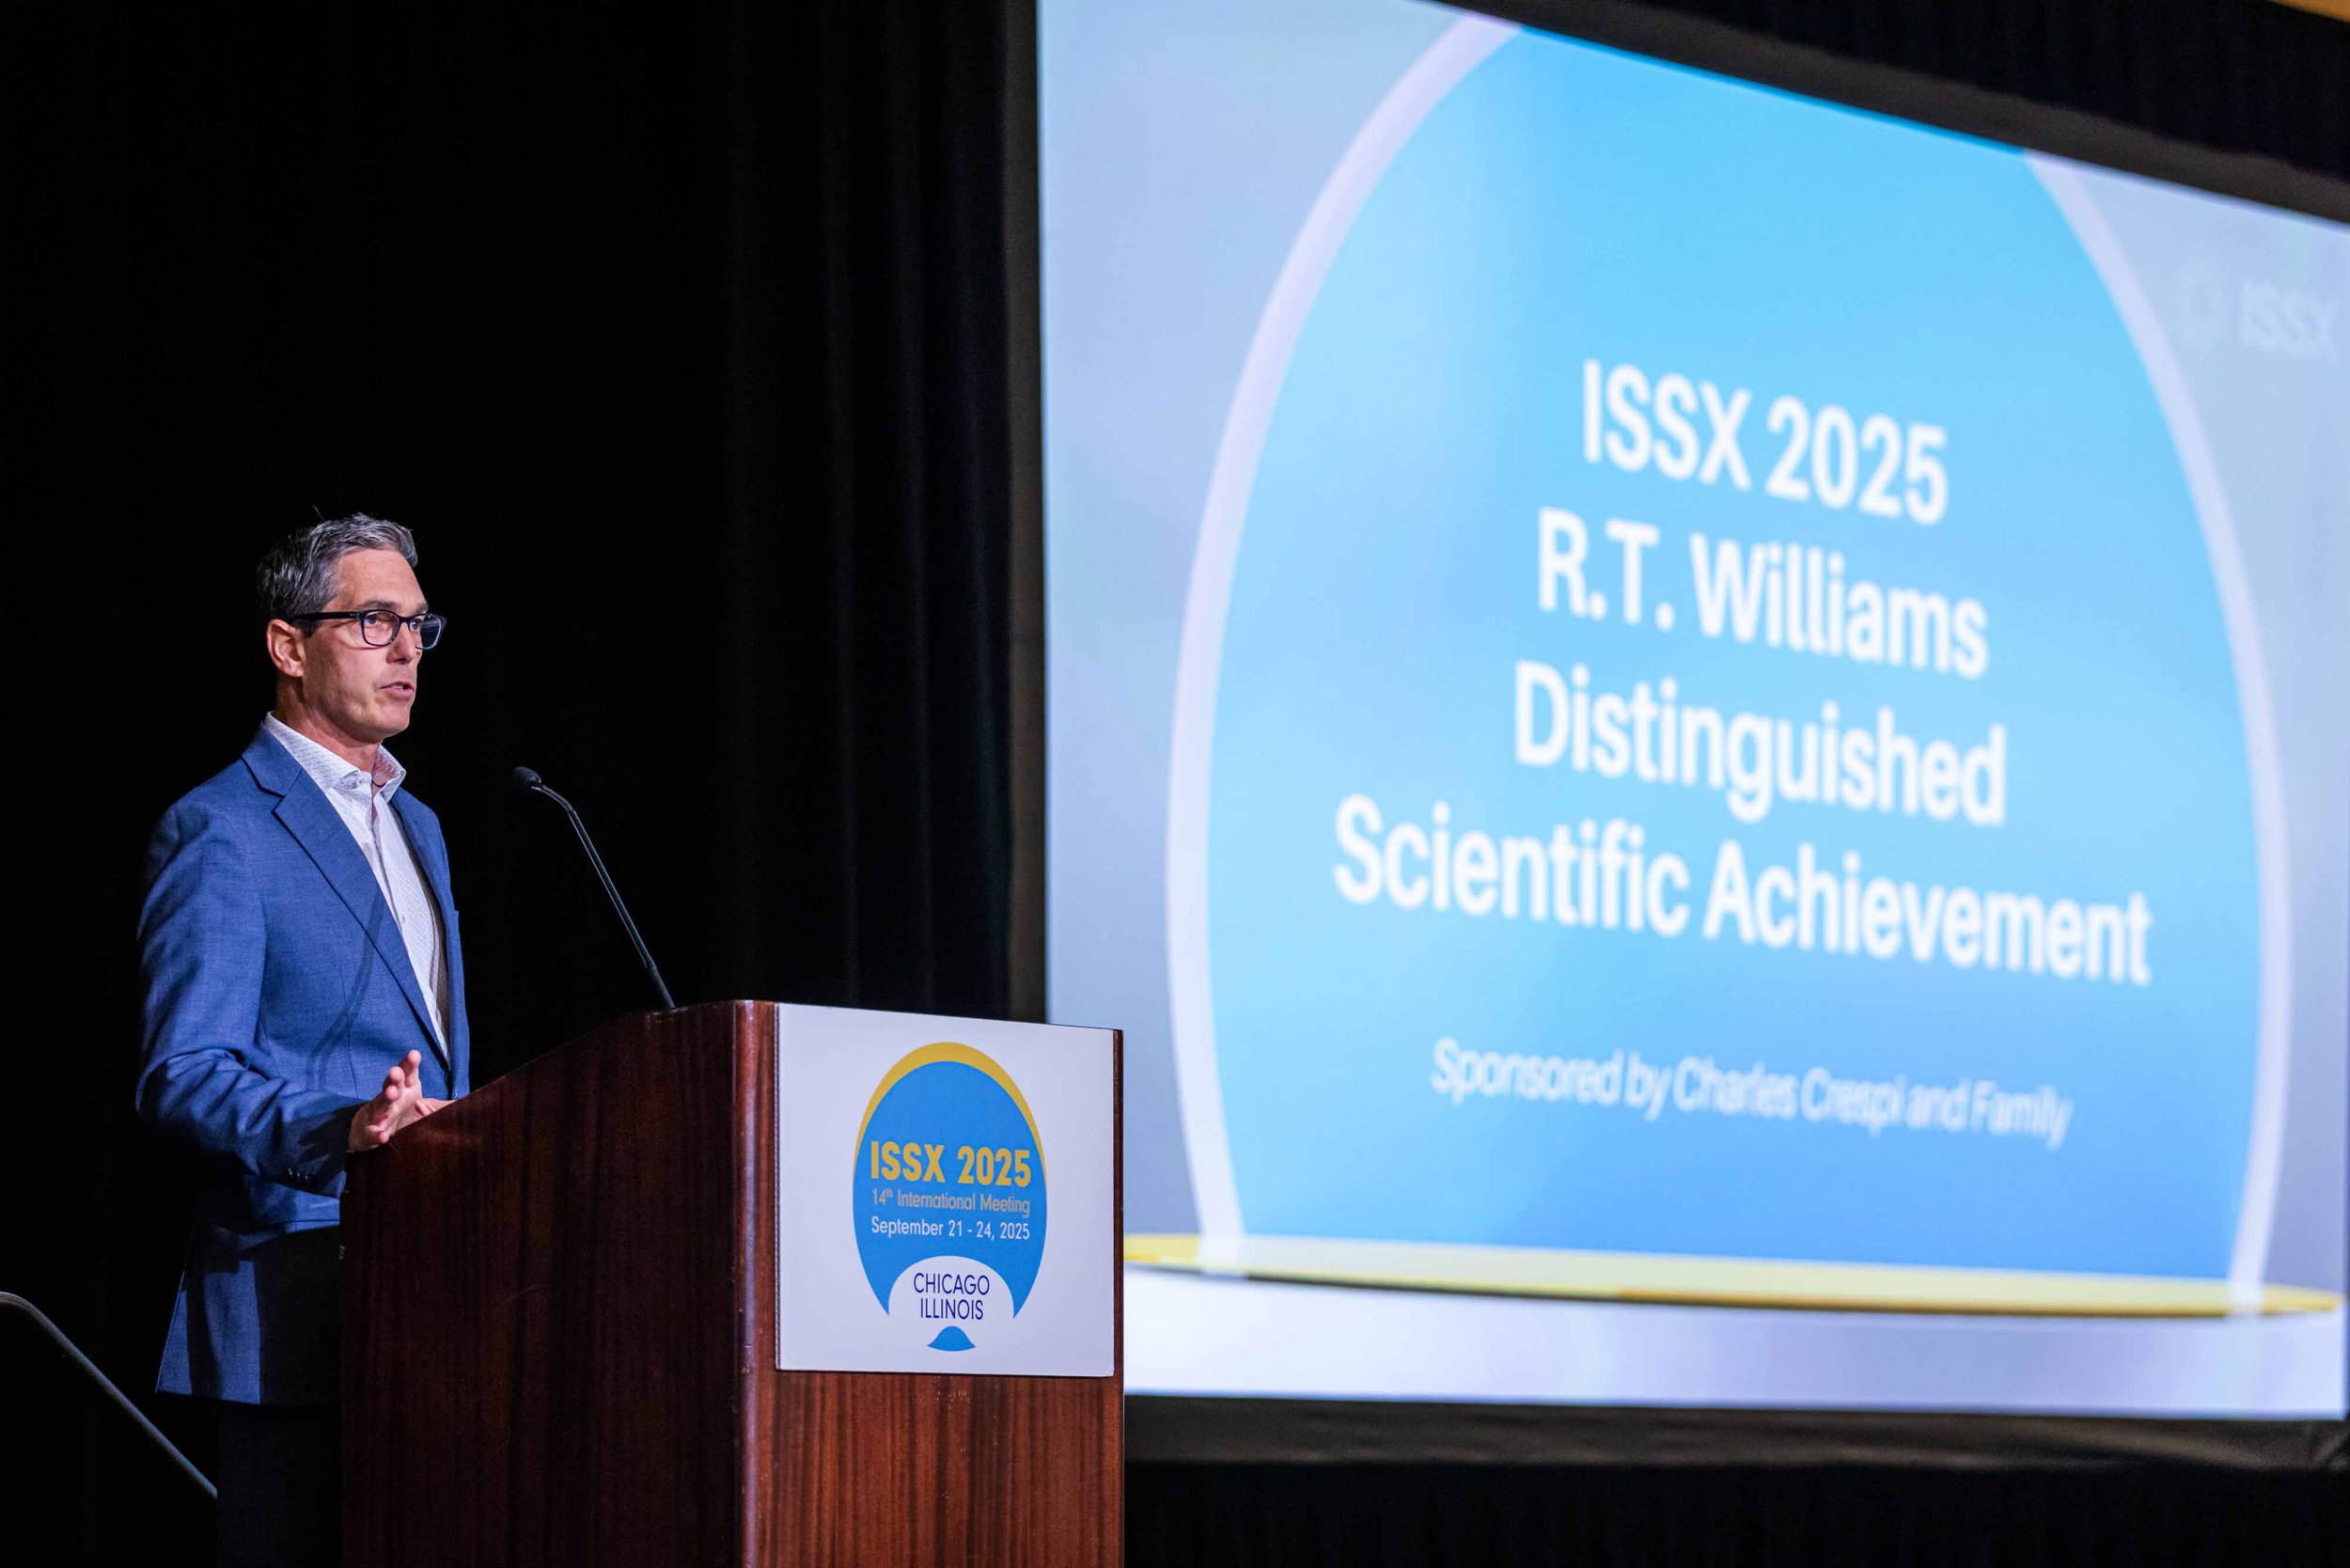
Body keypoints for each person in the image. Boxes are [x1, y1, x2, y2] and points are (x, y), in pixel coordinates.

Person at [135, 515, 470, 1567]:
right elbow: (182, 1074)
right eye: (375, 621)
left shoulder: (420, 826)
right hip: (293, 1310)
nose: (406, 649)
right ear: (289, 646)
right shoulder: (223, 827)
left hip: (434, 1305)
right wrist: (343, 1128)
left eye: (418, 625)